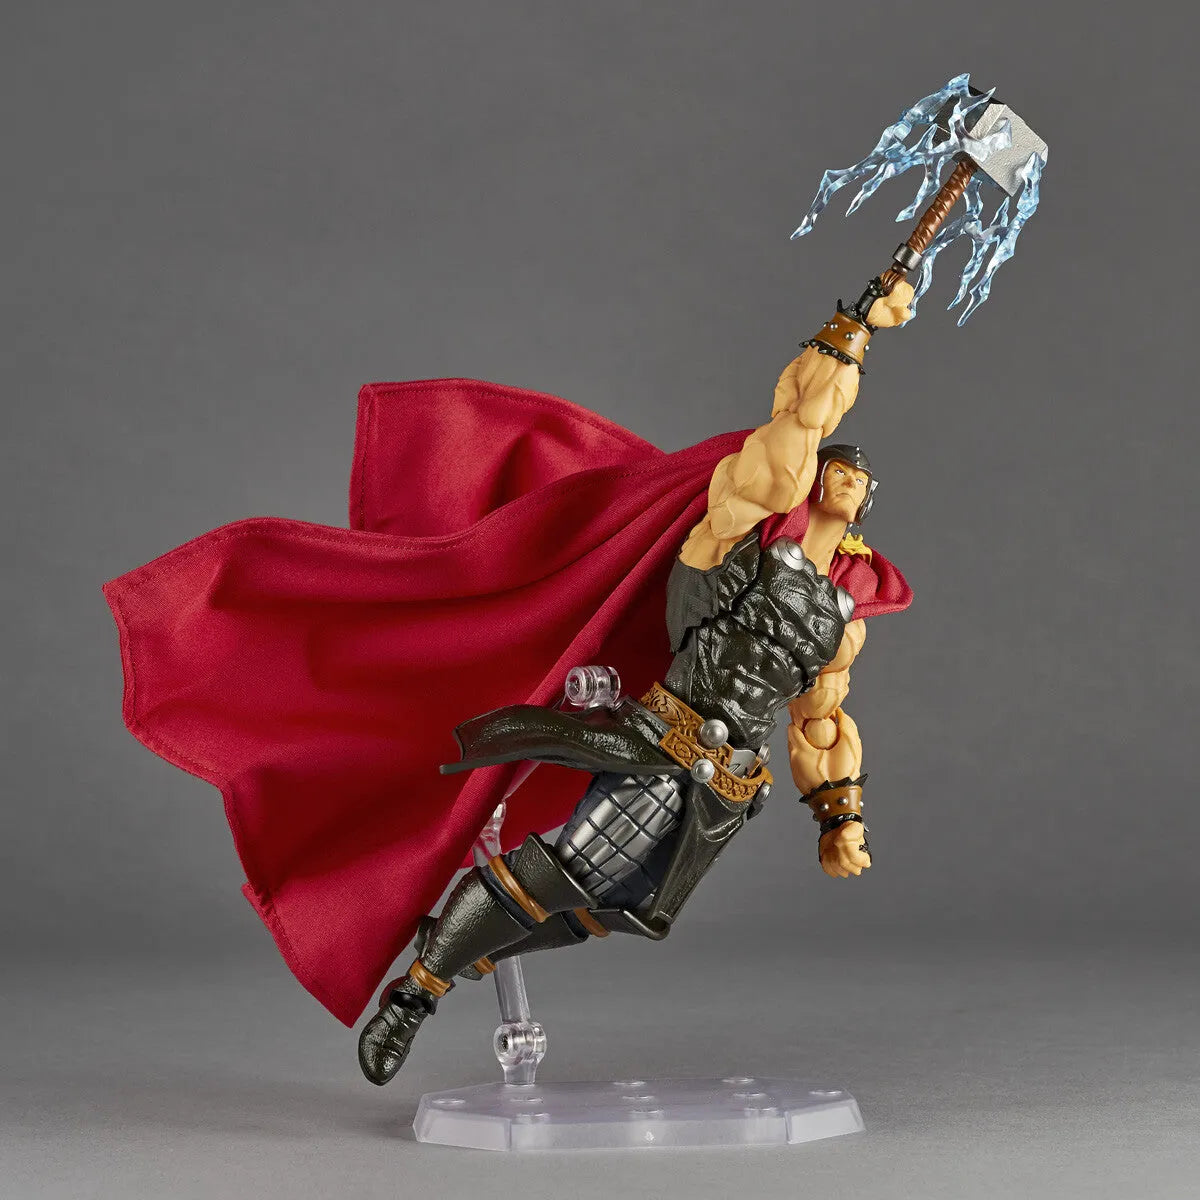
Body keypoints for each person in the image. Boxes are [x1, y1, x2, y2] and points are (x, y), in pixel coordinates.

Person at [357, 281, 916, 1085]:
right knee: (575, 867)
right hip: (670, 738)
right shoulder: (744, 546)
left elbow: (822, 720)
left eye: (860, 478)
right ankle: (417, 993)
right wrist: (855, 330)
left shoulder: (839, 618)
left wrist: (840, 817)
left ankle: (461, 945)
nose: (848, 476)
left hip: (727, 785)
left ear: (866, 506)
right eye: (837, 467)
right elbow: (796, 423)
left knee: (623, 908)